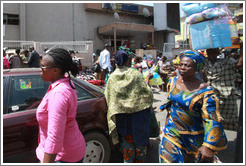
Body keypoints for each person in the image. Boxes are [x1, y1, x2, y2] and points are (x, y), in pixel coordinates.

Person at [159, 50, 227, 163]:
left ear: (196, 68)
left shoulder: (205, 91)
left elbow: (211, 119)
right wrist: (167, 121)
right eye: (181, 64)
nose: (182, 67)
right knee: (168, 160)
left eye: (187, 65)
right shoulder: (172, 82)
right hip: (172, 132)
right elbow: (171, 104)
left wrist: (208, 146)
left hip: (194, 136)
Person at [36, 48, 86, 163]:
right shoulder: (65, 83)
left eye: (42, 67)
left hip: (63, 157)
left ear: (55, 70)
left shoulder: (58, 93)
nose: (40, 70)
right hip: (72, 148)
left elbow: (55, 136)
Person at [104, 50, 154, 163]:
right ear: (128, 61)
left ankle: (128, 161)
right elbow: (147, 93)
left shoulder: (112, 77)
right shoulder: (135, 73)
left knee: (127, 141)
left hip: (122, 116)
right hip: (139, 115)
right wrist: (147, 81)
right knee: (140, 142)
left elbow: (109, 96)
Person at [204, 46, 243, 131]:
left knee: (229, 120)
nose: (211, 54)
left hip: (226, 95)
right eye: (209, 52)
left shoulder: (227, 62)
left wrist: (242, 47)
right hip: (211, 96)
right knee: (210, 119)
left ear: (218, 53)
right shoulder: (205, 63)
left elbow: (239, 64)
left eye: (214, 52)